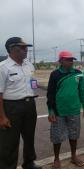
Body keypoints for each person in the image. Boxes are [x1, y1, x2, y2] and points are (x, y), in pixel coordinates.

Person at [0, 37, 41, 169]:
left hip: (29, 105)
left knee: (29, 137)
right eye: (23, 47)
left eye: (26, 47)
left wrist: (33, 91)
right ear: (12, 49)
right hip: (11, 107)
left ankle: (29, 163)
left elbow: (32, 80)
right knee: (10, 141)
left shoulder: (28, 64)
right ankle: (8, 166)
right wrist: (2, 116)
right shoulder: (3, 68)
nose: (26, 50)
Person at [47, 51, 84, 169]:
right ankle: (56, 159)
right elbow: (50, 94)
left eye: (72, 59)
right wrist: (51, 110)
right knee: (57, 136)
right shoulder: (54, 74)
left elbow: (82, 91)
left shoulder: (78, 74)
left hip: (74, 110)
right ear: (61, 61)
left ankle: (74, 156)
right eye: (68, 59)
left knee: (74, 134)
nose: (71, 62)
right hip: (58, 111)